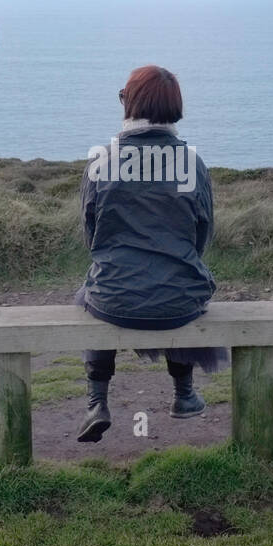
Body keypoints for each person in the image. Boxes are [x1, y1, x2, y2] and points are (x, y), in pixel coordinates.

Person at [74, 65, 229, 443]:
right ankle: (185, 394)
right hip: (178, 300)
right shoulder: (192, 163)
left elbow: (92, 236)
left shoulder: (102, 161)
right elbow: (201, 236)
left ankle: (97, 400)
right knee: (180, 284)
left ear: (130, 103)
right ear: (174, 108)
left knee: (96, 287)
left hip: (113, 297)